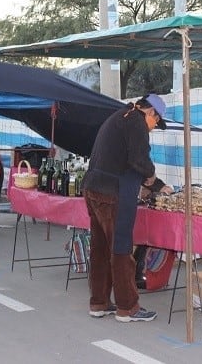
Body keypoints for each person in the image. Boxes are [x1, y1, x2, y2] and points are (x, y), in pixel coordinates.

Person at [82, 93, 167, 322]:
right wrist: (152, 177)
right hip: (113, 194)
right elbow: (139, 161)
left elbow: (126, 160)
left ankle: (98, 303)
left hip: (93, 188)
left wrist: (156, 184)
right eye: (156, 122)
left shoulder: (119, 116)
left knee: (100, 249)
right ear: (150, 113)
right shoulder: (137, 123)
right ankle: (128, 307)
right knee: (121, 250)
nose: (154, 127)